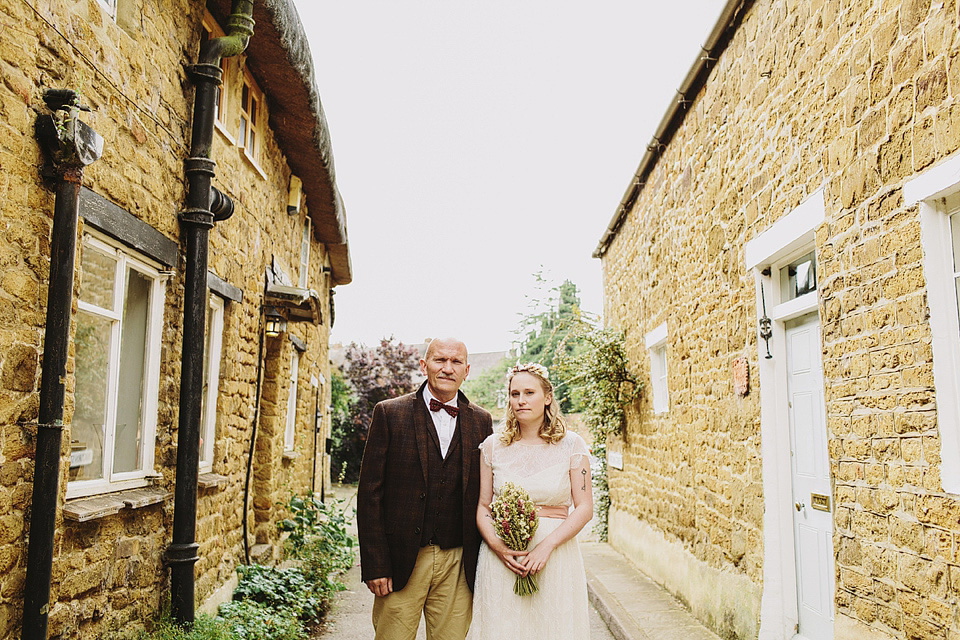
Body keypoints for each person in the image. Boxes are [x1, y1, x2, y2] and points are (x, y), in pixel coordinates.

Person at [357, 337, 494, 640]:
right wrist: (376, 564)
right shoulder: (389, 413)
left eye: (456, 361)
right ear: (424, 365)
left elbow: (488, 493)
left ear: (466, 370)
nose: (448, 368)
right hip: (400, 559)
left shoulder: (481, 421)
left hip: (458, 561)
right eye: (439, 360)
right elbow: (369, 496)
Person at [469, 362, 593, 639]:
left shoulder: (573, 445)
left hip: (556, 556)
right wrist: (499, 547)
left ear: (547, 397)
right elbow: (483, 506)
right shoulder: (492, 446)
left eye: (529, 393)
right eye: (515, 394)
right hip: (504, 559)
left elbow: (584, 508)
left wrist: (546, 547)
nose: (521, 400)